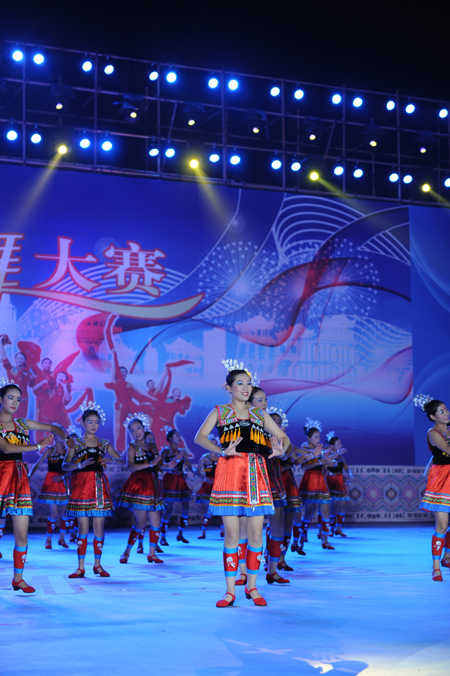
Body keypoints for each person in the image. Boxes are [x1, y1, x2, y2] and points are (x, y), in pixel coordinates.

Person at [195, 359, 289, 608]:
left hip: (256, 475)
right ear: (228, 387)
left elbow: (282, 437)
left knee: (256, 533)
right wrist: (221, 450)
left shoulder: (259, 414)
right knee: (233, 535)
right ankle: (229, 591)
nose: (246, 388)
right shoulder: (220, 412)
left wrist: (280, 450)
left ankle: (252, 586)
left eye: (249, 383)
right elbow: (200, 437)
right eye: (240, 383)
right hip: (229, 473)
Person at [0, 377, 65, 593]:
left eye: (18, 399)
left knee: (22, 534)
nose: (14, 402)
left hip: (18, 480)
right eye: (10, 397)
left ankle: (18, 578)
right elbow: (7, 448)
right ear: (1, 399)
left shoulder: (22, 423)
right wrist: (36, 446)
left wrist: (65, 438)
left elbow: (53, 427)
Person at [62, 400, 125, 579]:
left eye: (97, 422)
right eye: (90, 421)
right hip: (81, 487)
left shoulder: (104, 443)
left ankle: (97, 565)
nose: (93, 425)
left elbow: (121, 461)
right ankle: (80, 567)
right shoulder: (76, 444)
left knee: (99, 528)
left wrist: (111, 460)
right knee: (82, 528)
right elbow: (65, 466)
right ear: (82, 423)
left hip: (99, 487)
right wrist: (79, 465)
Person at [115, 413, 175, 564]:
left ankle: (152, 554)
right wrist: (151, 464)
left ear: (144, 427)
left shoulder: (152, 446)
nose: (136, 432)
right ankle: (126, 551)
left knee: (156, 521)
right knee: (140, 523)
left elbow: (159, 466)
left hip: (153, 486)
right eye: (132, 430)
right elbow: (130, 466)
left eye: (138, 428)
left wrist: (168, 466)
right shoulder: (132, 447)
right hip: (139, 485)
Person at [415, 394, 450, 581]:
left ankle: (447, 556)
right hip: (442, 480)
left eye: (446, 409)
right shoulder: (433, 433)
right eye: (441, 412)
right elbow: (448, 450)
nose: (446, 413)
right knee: (442, 525)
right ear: (432, 417)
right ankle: (436, 567)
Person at [294, 418, 339, 551]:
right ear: (308, 438)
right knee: (309, 512)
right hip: (311, 481)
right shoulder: (305, 448)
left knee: (325, 510)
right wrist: (319, 461)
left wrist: (332, 463)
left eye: (319, 436)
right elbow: (303, 466)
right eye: (315, 436)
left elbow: (327, 462)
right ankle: (302, 534)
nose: (318, 439)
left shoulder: (321, 448)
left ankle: (325, 540)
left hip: (321, 480)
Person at [29, 431, 72, 549]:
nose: (61, 437)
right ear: (54, 436)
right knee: (54, 512)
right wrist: (29, 475)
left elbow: (71, 469)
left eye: (63, 434)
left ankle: (62, 539)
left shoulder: (68, 450)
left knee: (65, 512)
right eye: (59, 434)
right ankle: (48, 540)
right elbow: (38, 464)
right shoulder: (49, 450)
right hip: (52, 482)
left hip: (63, 482)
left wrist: (62, 476)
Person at [160, 428, 194, 544]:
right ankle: (162, 537)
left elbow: (189, 466)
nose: (179, 437)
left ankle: (180, 534)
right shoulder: (165, 451)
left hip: (180, 480)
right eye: (176, 435)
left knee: (186, 507)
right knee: (169, 509)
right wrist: (170, 470)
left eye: (179, 435)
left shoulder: (182, 451)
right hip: (170, 480)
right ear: (170, 438)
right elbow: (160, 466)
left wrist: (193, 471)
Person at [0, 335, 36, 418]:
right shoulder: (10, 368)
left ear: (25, 360)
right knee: (9, 418)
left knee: (21, 420)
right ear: (15, 360)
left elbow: (32, 384)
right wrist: (0, 343)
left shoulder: (28, 372)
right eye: (18, 358)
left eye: (21, 358)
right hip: (10, 398)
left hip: (23, 398)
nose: (19, 360)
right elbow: (4, 356)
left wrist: (28, 375)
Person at [325, 431, 351, 537]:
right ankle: (331, 528)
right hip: (332, 481)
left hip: (340, 481)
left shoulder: (340, 456)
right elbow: (326, 465)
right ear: (332, 446)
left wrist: (347, 474)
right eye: (338, 444)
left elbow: (345, 466)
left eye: (341, 443)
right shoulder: (329, 455)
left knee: (343, 504)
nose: (341, 445)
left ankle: (339, 528)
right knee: (334, 505)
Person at [195, 434, 221, 539]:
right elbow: (197, 472)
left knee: (223, 509)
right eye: (212, 444)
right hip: (209, 485)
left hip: (220, 485)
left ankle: (223, 531)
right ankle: (203, 532)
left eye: (216, 444)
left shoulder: (221, 457)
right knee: (208, 510)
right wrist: (205, 479)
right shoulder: (204, 458)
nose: (214, 446)